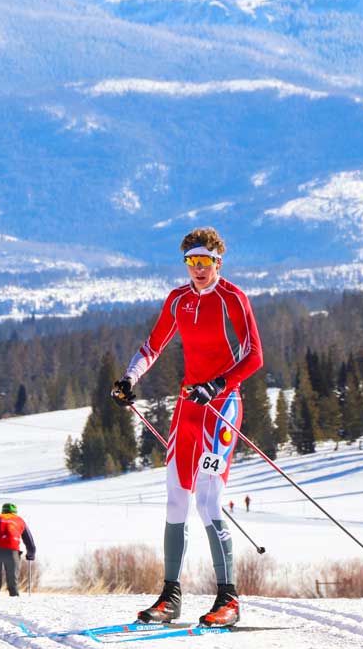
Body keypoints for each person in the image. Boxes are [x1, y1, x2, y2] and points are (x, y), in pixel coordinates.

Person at [110, 227, 263, 628]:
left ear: (218, 262)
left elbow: (254, 356)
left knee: (208, 502)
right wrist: (130, 379)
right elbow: (152, 346)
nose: (198, 269)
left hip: (222, 409)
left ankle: (228, 599)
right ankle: (170, 598)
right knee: (176, 499)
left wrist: (218, 385)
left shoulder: (232, 297)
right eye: (191, 262)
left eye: (205, 262)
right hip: (187, 410)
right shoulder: (178, 300)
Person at [0, 502, 36, 596]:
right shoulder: (19, 520)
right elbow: (30, 543)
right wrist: (30, 555)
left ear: (2, 511)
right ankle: (15, 607)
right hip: (11, 551)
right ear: (15, 512)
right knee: (13, 585)